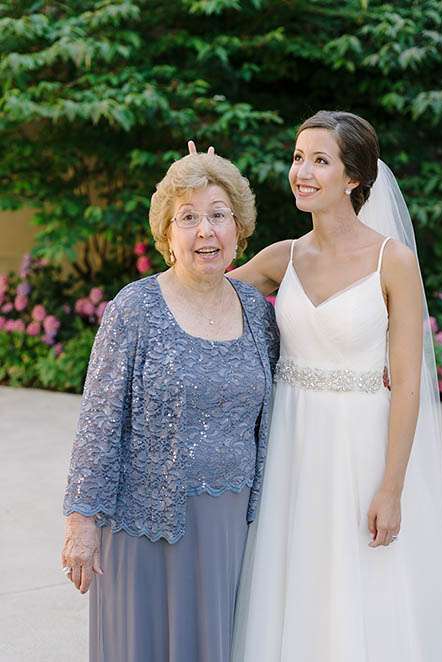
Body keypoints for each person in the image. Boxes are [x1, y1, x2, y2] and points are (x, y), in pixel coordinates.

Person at [215, 111, 442, 660]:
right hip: (292, 448)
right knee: (296, 573)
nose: (302, 171)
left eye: (320, 160)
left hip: (362, 447)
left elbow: (408, 386)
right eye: (298, 157)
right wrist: (198, 182)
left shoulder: (391, 262)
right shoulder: (283, 257)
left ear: (354, 177)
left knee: (363, 581)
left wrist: (392, 487)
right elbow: (200, 289)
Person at [61, 152, 279, 661]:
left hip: (230, 526)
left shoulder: (255, 310)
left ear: (239, 228)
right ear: (167, 233)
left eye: (218, 215)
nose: (206, 231)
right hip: (146, 528)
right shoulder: (135, 308)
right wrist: (80, 522)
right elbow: (98, 423)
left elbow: (288, 390)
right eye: (189, 217)